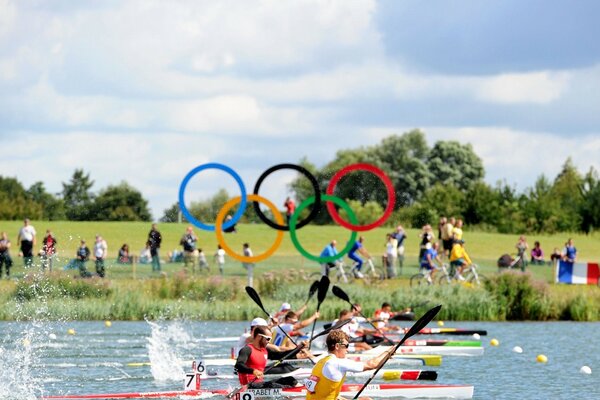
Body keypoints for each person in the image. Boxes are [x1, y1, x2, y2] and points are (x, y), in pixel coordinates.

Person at [304, 329, 396, 400]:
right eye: (346, 346)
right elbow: (372, 364)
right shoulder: (338, 363)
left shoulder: (320, 362)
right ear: (337, 346)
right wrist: (389, 351)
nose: (347, 350)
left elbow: (325, 393)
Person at [235, 326, 300, 388]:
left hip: (260, 385)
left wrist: (298, 348)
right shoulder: (247, 349)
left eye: (270, 339)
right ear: (259, 337)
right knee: (275, 386)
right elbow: (238, 365)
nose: (269, 341)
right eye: (268, 339)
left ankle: (303, 389)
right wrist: (253, 371)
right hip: (249, 386)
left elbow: (281, 355)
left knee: (290, 380)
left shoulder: (264, 350)